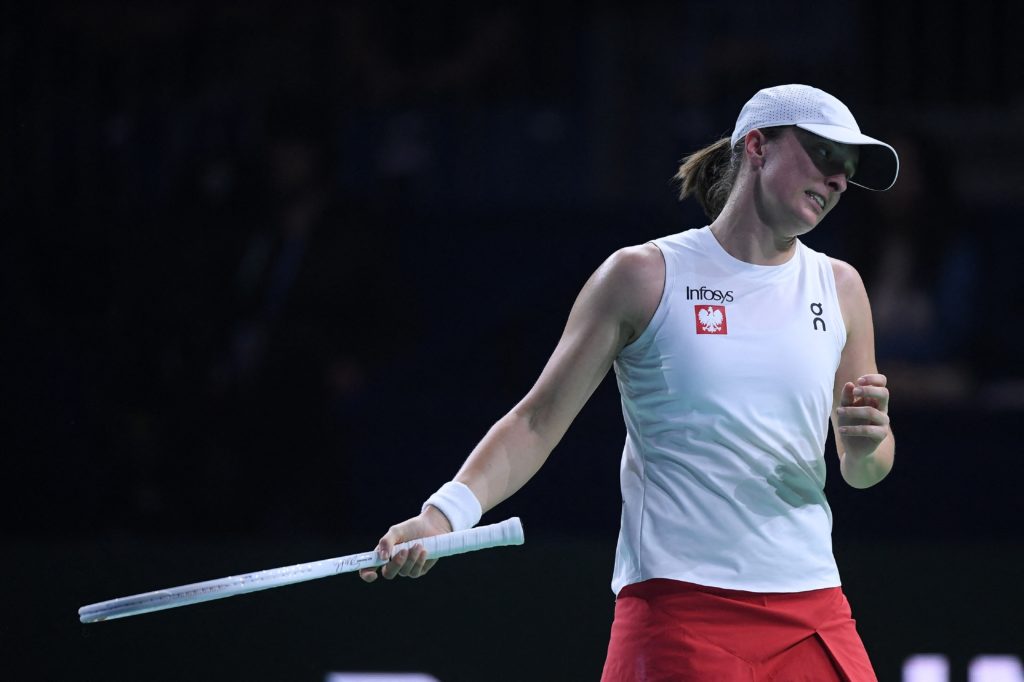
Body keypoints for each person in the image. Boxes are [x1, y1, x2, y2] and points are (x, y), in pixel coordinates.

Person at [358, 84, 898, 681]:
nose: (839, 180)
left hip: (813, 608)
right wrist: (443, 515)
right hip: (680, 610)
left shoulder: (840, 288)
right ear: (757, 147)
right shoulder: (644, 276)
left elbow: (863, 470)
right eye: (825, 156)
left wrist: (869, 441)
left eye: (848, 171)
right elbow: (536, 421)